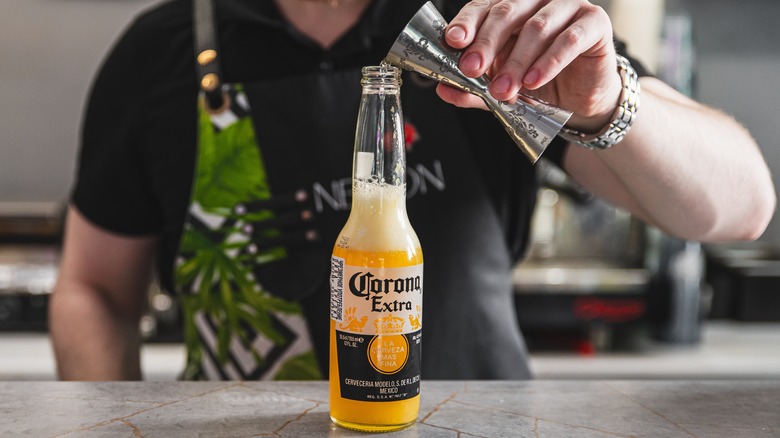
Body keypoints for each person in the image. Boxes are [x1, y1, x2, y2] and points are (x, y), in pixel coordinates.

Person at [50, 0, 775, 381]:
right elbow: (96, 291)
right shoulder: (161, 50)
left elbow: (740, 207)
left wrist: (603, 100)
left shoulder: (483, 32)